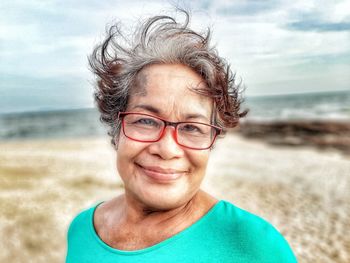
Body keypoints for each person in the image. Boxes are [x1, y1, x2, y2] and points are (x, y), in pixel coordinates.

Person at [66, 10, 297, 263]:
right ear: (116, 128)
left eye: (191, 127)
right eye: (145, 121)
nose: (166, 149)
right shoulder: (81, 230)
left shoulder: (255, 246)